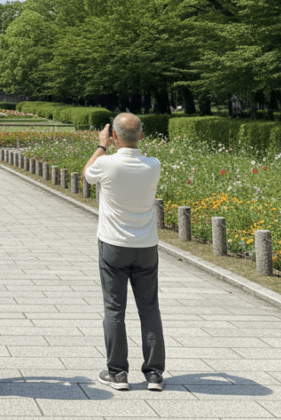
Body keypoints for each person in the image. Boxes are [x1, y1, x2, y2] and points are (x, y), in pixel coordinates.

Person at [83, 113, 165, 392]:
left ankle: (118, 372)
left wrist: (101, 146)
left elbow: (87, 174)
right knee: (149, 308)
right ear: (142, 136)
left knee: (114, 309)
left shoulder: (106, 163)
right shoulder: (153, 165)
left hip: (114, 244)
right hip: (146, 245)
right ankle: (154, 373)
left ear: (115, 136)